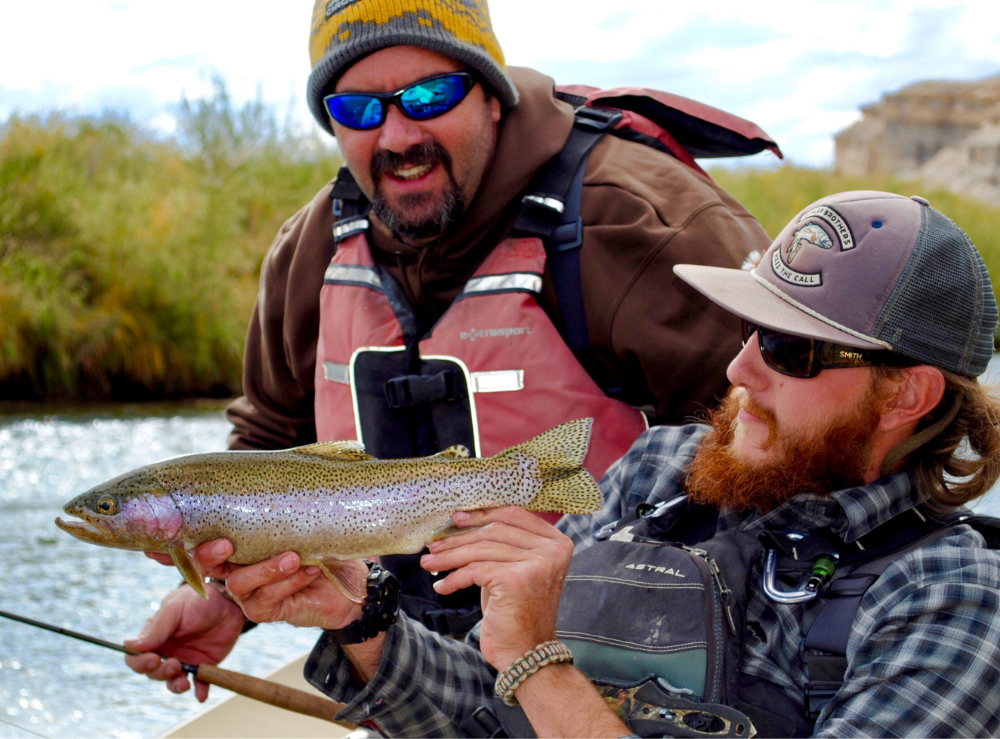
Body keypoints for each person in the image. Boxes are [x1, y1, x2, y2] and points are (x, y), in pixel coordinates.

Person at [140, 191, 1000, 737]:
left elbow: (525, 678)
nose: (740, 368)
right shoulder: (661, 471)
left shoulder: (950, 600)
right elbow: (479, 710)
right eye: (748, 328)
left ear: (905, 395)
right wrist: (356, 619)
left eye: (789, 349)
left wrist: (541, 662)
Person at [125, 0, 778, 696]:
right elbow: (265, 452)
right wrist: (228, 595)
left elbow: (786, 460)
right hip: (400, 673)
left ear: (493, 95)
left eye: (430, 95)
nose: (399, 136)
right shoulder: (309, 250)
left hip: (626, 676)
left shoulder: (646, 220)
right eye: (359, 111)